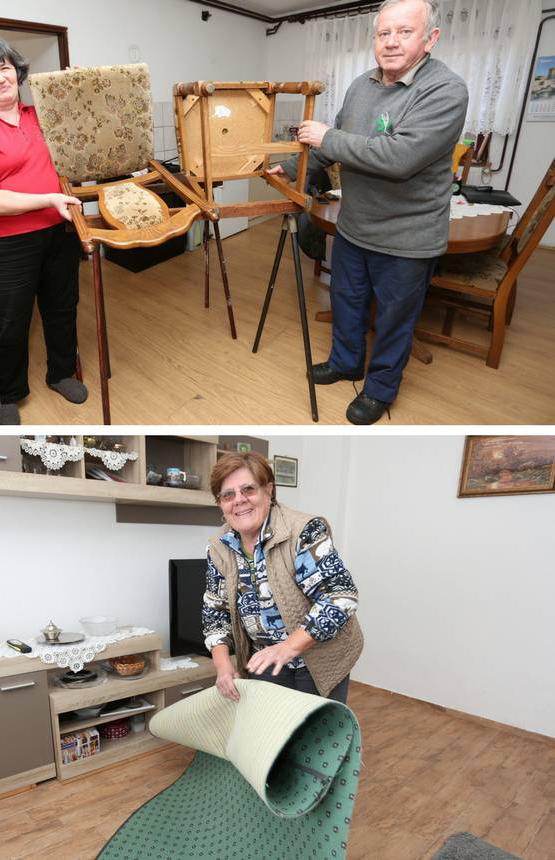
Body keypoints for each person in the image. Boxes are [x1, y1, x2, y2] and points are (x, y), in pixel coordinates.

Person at [269, 0, 468, 425]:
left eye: (404, 32)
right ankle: (346, 363)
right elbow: (327, 153)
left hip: (407, 238)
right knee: (348, 302)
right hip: (355, 227)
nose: (391, 42)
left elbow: (398, 158)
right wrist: (287, 169)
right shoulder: (361, 85)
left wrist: (325, 136)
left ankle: (379, 390)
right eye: (383, 33)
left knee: (395, 320)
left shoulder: (446, 91)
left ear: (430, 38)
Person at [0, 36, 86, 410]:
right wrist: (48, 199)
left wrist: (74, 95)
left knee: (62, 308)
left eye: (5, 67)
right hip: (4, 242)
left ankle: (61, 373)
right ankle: (10, 395)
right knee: (10, 322)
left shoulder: (42, 115)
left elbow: (82, 141)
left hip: (59, 230)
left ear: (18, 72)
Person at [203, 452, 364, 704]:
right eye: (228, 495)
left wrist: (288, 647)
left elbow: (340, 596)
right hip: (266, 656)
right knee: (273, 733)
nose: (239, 500)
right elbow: (215, 614)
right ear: (220, 503)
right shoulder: (219, 547)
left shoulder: (303, 531)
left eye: (248, 489)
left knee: (314, 736)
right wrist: (223, 666)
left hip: (319, 655)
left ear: (269, 491)